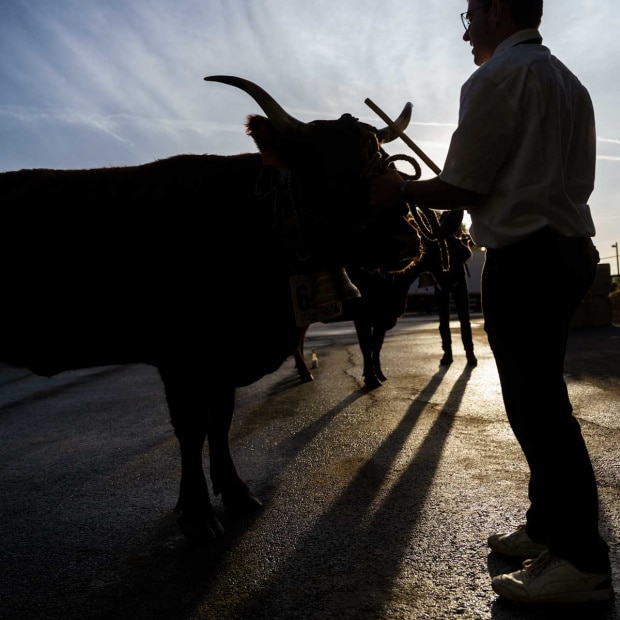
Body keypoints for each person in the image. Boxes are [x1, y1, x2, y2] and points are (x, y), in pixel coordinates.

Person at [370, 0, 613, 605]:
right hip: (567, 250)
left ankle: (583, 561)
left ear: (501, 11)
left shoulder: (494, 78)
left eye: (472, 15)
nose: (467, 29)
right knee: (539, 396)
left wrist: (395, 187)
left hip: (526, 257)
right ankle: (544, 527)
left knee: (538, 408)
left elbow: (462, 183)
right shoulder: (569, 81)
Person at [423, 211, 477, 366]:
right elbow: (465, 255)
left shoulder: (436, 241)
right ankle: (466, 354)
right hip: (450, 283)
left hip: (447, 284)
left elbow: (429, 263)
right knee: (460, 320)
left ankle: (452, 354)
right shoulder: (448, 240)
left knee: (450, 320)